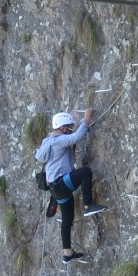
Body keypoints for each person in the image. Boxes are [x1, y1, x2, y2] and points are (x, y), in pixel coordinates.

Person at [34, 109, 104, 263]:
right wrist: (86, 118)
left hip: (55, 188)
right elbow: (77, 136)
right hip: (61, 183)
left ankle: (67, 252)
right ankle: (88, 205)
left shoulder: (48, 141)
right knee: (85, 172)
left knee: (67, 219)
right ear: (63, 128)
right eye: (69, 127)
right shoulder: (59, 140)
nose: (71, 129)